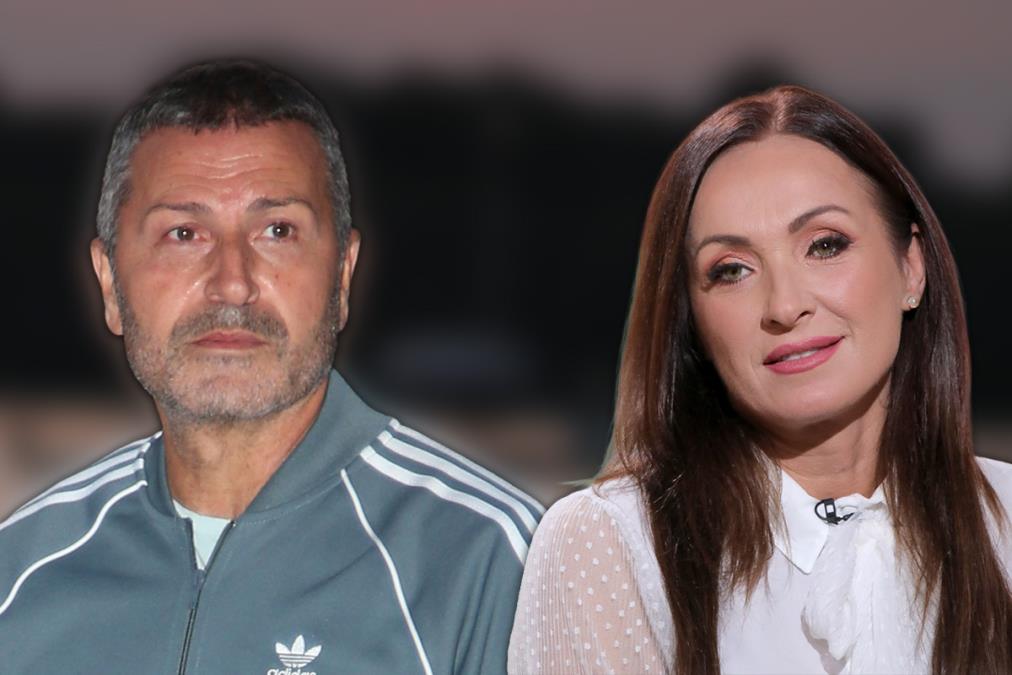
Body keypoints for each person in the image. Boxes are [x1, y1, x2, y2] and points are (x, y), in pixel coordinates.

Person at [0, 59, 542, 674]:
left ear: (342, 276)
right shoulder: (20, 575)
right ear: (109, 284)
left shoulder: (491, 563)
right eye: (184, 234)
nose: (232, 284)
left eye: (277, 230)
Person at [509, 85, 1012, 674]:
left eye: (824, 245)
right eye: (731, 271)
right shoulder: (612, 542)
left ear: (912, 267)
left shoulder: (1004, 518)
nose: (785, 305)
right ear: (691, 321)